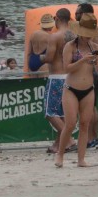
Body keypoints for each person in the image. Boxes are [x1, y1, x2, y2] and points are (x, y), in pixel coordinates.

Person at [54, 15, 98, 168]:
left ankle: (81, 159)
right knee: (70, 124)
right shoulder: (70, 46)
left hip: (88, 89)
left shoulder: (95, 47)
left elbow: (97, 66)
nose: (87, 36)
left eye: (90, 33)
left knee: (85, 124)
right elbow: (67, 68)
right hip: (71, 88)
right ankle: (60, 155)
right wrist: (83, 60)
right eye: (85, 33)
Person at [74, 3, 98, 149]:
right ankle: (95, 137)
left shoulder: (85, 31)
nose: (75, 15)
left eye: (77, 13)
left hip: (88, 71)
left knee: (86, 106)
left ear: (84, 14)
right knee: (93, 105)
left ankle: (89, 139)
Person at [41, 8, 73, 153]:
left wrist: (40, 57)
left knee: (50, 112)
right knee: (63, 114)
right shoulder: (75, 36)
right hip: (71, 77)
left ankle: (70, 140)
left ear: (57, 19)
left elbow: (49, 58)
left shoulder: (54, 37)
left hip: (56, 78)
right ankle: (57, 145)